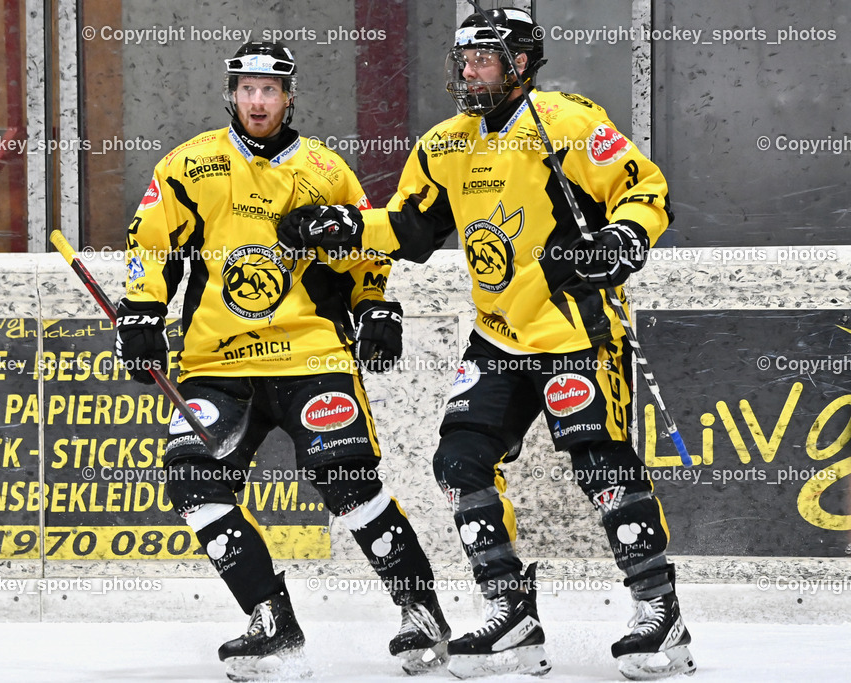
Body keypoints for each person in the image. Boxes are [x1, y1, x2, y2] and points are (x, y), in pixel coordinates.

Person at [276, 8, 696, 681]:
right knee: (460, 460)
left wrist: (619, 240)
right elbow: (410, 230)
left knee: (598, 461)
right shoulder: (446, 144)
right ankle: (510, 611)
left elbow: (645, 189)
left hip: (572, 330)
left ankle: (660, 611)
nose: (469, 71)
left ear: (521, 64)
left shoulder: (566, 121)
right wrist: (343, 227)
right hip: (497, 336)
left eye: (485, 59)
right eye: (464, 59)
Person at [114, 40, 450, 680]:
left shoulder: (327, 171)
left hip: (310, 354)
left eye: (270, 90)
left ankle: (421, 611)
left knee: (347, 483)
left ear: (290, 96)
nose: (258, 101)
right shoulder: (190, 165)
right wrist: (139, 315)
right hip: (219, 361)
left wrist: (376, 306)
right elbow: (149, 246)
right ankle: (270, 620)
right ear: (231, 93)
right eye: (247, 88)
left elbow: (363, 251)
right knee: (193, 481)